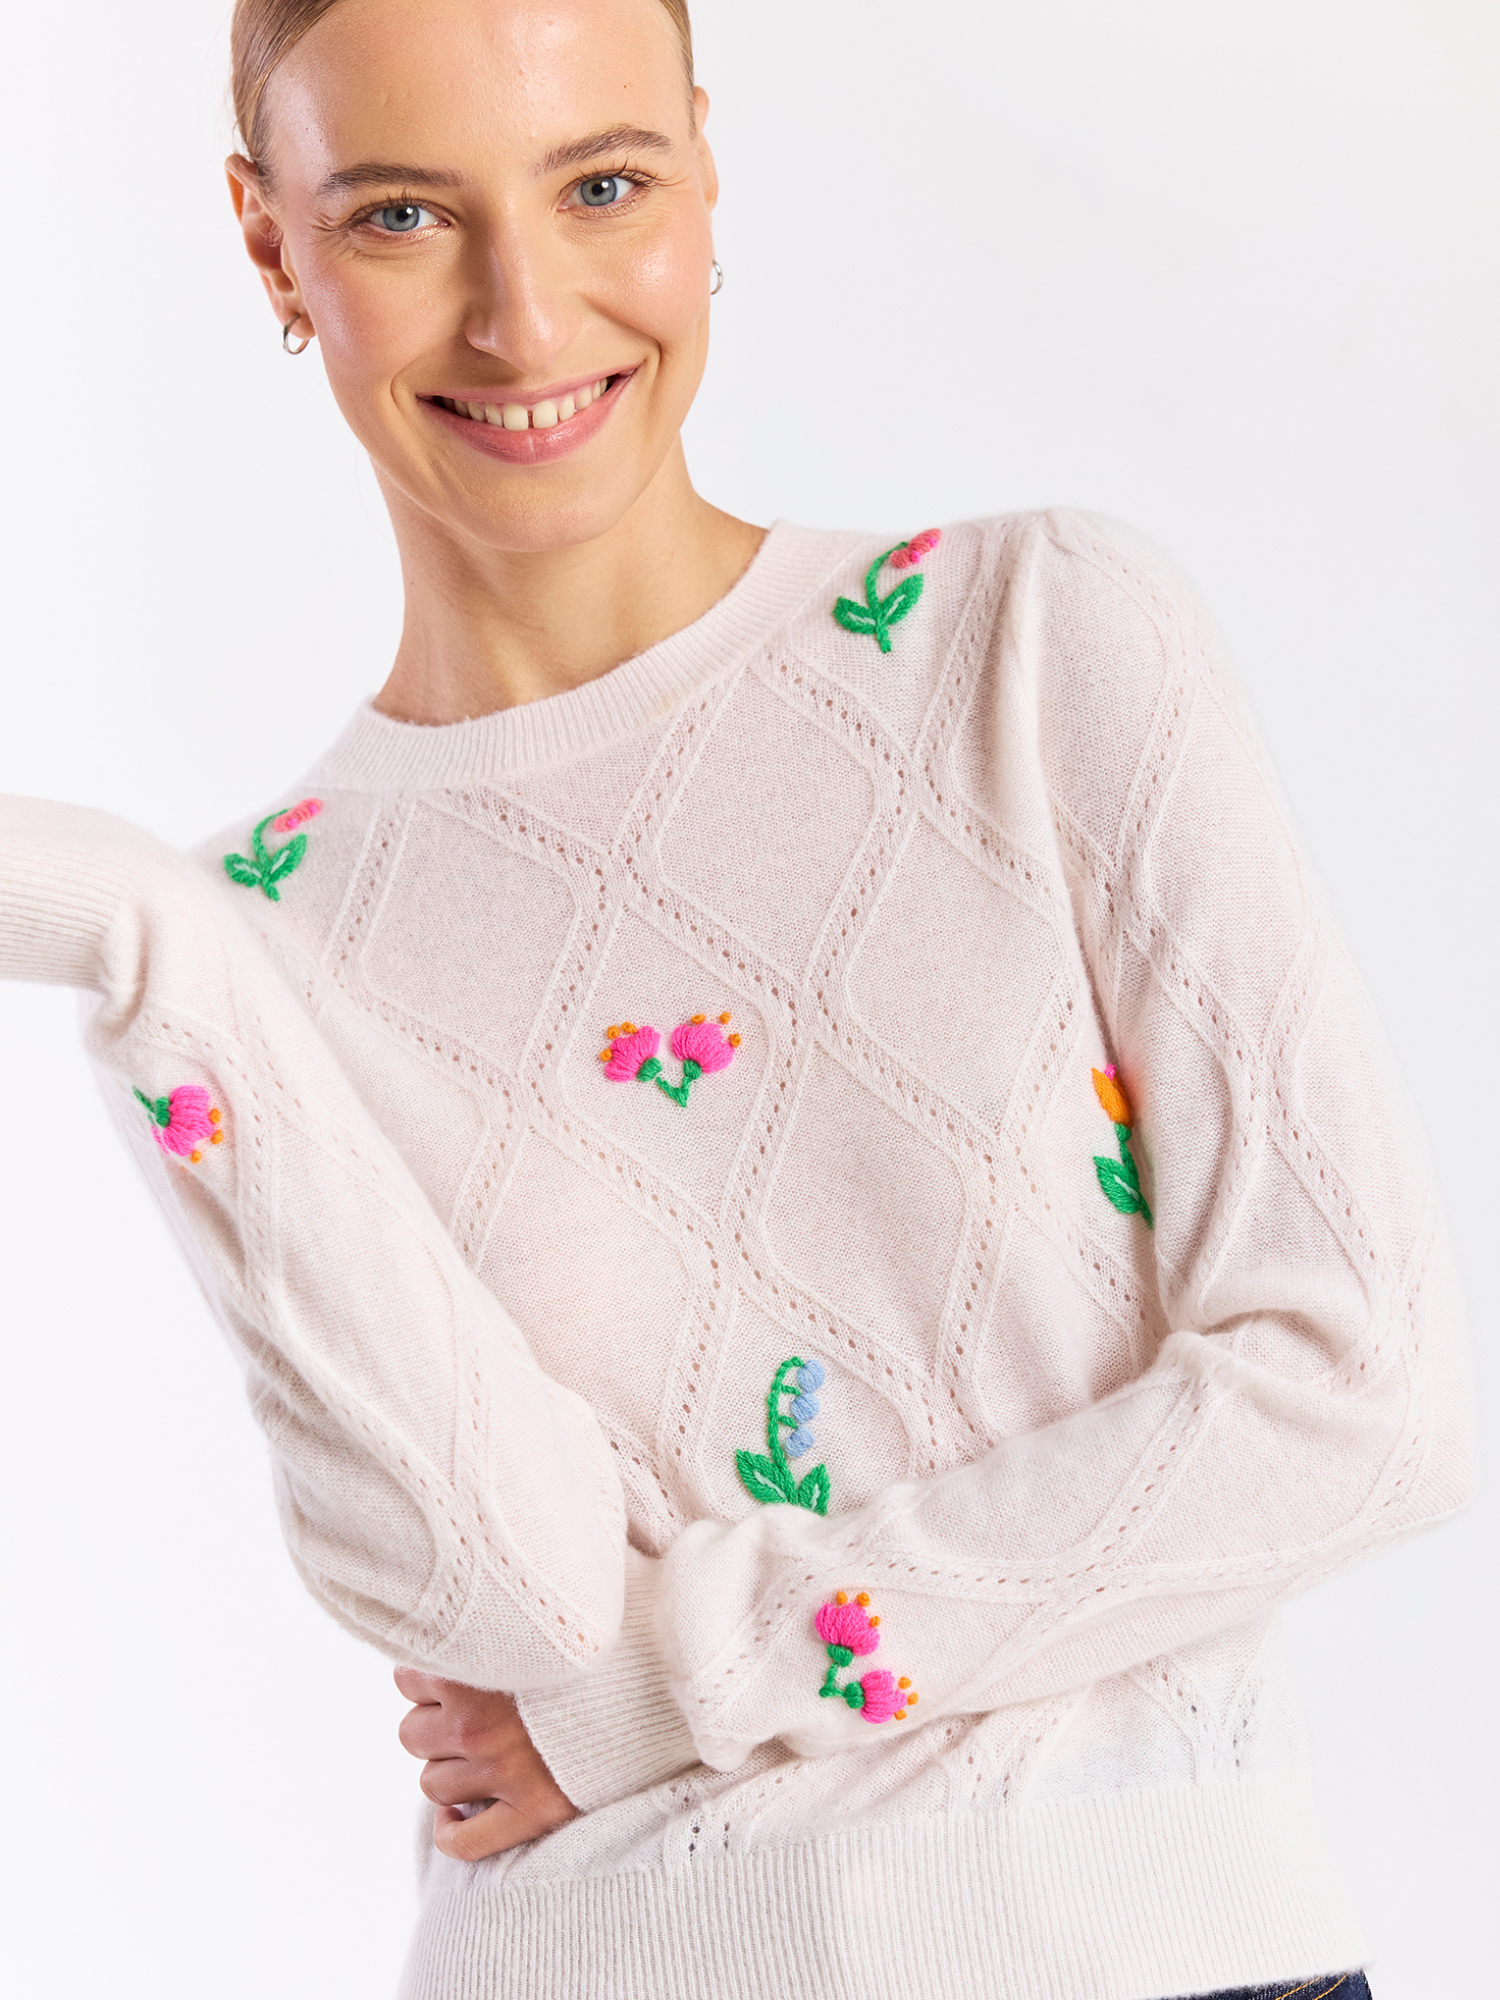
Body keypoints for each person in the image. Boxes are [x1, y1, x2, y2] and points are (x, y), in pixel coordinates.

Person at [0, 0, 1475, 1995]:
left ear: (705, 164)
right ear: (275, 245)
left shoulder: (1031, 648)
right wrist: (130, 930)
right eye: (406, 218)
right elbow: (500, 1592)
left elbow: (1362, 1392)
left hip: (1142, 1955)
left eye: (600, 184)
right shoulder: (248, 940)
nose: (527, 322)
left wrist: (666, 1688)